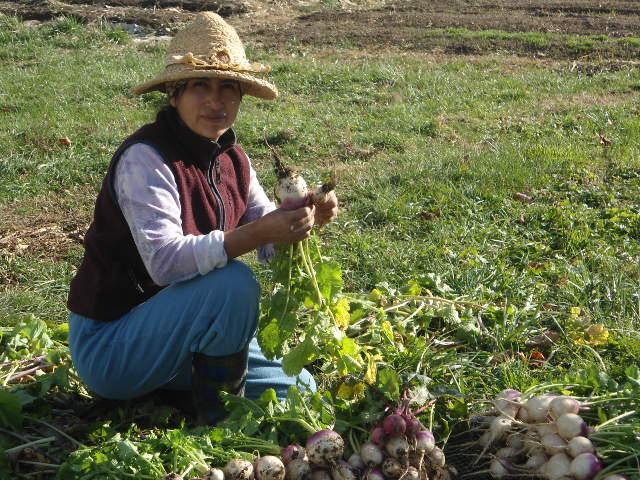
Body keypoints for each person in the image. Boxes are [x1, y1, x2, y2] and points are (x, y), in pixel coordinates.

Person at [66, 11, 338, 425]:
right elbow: (164, 262)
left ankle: (182, 383)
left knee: (299, 387)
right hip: (112, 346)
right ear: (174, 95)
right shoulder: (147, 159)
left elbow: (264, 226)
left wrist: (300, 222)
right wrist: (253, 235)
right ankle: (217, 423)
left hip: (176, 332)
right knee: (232, 283)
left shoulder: (232, 157)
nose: (216, 101)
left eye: (228, 87)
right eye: (200, 86)